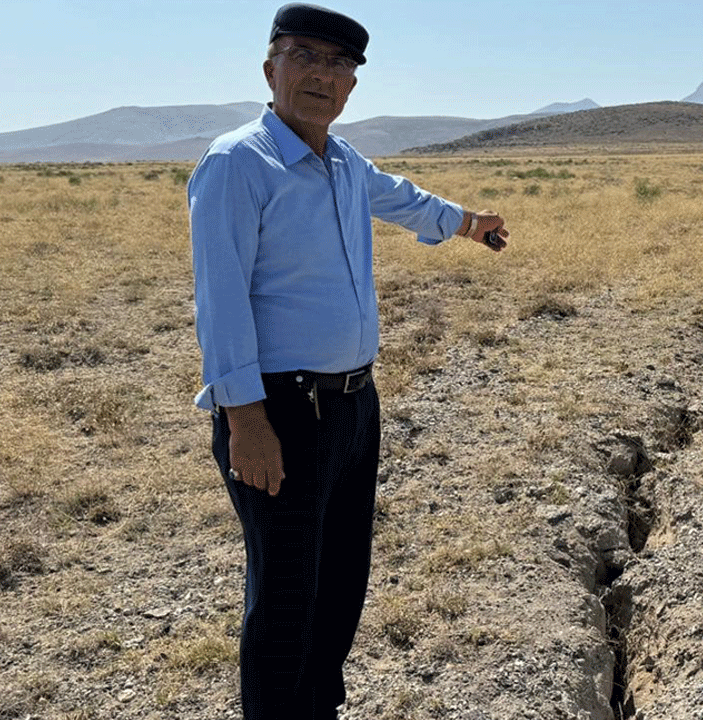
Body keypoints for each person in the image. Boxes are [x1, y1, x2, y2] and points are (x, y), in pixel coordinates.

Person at [187, 4, 509, 718]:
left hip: (353, 406)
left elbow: (403, 200)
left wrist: (467, 223)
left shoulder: (344, 163)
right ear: (270, 68)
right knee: (286, 593)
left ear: (353, 84)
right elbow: (221, 299)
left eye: (339, 65)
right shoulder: (239, 163)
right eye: (305, 56)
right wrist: (246, 421)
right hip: (279, 412)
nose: (322, 76)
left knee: (339, 584)